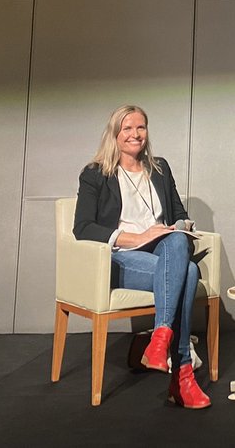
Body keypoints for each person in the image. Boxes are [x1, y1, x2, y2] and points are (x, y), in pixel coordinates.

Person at [72, 104, 210, 409]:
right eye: (127, 128)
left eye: (141, 127)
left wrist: (180, 227)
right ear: (115, 135)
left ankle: (160, 340)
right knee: (187, 273)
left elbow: (179, 215)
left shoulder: (159, 168)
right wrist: (138, 237)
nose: (135, 134)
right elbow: (82, 227)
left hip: (163, 251)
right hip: (120, 255)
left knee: (176, 241)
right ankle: (182, 376)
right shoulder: (96, 174)